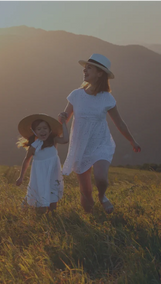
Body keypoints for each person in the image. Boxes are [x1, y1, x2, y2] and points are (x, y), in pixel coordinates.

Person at [57, 53, 141, 214]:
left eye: (89, 68)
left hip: (100, 143)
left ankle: (102, 196)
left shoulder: (106, 98)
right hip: (80, 146)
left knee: (102, 179)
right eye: (85, 68)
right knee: (86, 193)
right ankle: (92, 218)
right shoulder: (76, 95)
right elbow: (64, 118)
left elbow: (120, 123)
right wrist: (58, 123)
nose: (85, 71)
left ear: (100, 73)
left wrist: (132, 141)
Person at [14, 114, 69, 213]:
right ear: (34, 132)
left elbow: (65, 140)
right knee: (41, 206)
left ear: (49, 130)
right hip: (40, 177)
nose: (42, 131)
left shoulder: (53, 141)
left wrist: (64, 123)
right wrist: (21, 176)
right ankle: (32, 210)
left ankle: (52, 219)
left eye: (45, 128)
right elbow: (26, 160)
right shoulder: (34, 147)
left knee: (53, 203)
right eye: (39, 129)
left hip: (53, 175)